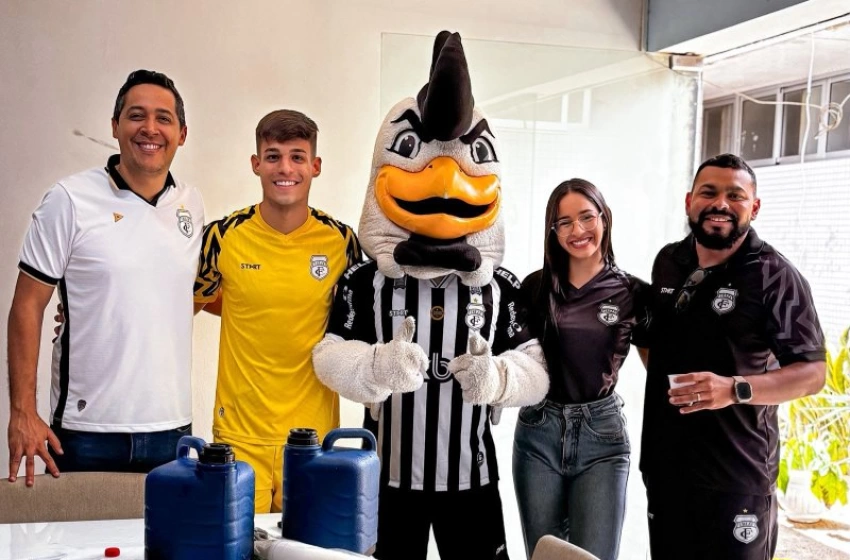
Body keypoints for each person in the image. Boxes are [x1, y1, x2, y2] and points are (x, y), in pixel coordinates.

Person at [7, 70, 204, 486]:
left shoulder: (192, 204)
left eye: (163, 118)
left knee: (168, 551)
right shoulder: (69, 199)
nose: (150, 128)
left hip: (173, 430)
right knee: (76, 550)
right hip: (87, 433)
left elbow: (170, 292)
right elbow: (27, 304)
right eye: (136, 115)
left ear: (182, 133)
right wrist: (23, 411)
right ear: (115, 126)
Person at [640, 153, 826, 560]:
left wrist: (735, 389)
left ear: (753, 207)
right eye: (709, 192)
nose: (720, 203)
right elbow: (653, 339)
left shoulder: (775, 276)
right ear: (690, 200)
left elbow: (812, 373)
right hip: (666, 468)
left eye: (735, 195)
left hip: (736, 478)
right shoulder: (669, 261)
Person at [193, 109, 361, 513]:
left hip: (313, 439)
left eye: (297, 156)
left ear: (315, 166)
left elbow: (366, 314)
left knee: (305, 553)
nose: (285, 168)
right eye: (273, 156)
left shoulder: (341, 242)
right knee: (238, 551)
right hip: (238, 435)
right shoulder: (222, 236)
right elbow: (184, 306)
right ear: (256, 164)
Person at [511, 178, 649, 560]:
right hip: (539, 433)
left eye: (586, 217)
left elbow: (661, 371)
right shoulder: (535, 288)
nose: (578, 231)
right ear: (552, 231)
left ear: (604, 218)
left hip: (601, 438)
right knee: (545, 555)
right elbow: (516, 363)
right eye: (564, 222)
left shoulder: (632, 293)